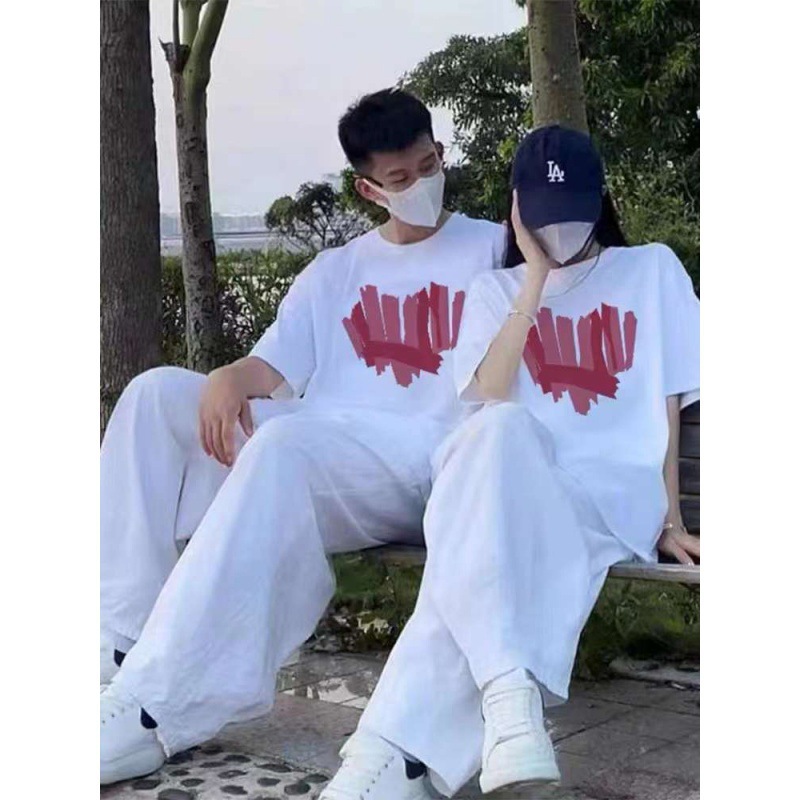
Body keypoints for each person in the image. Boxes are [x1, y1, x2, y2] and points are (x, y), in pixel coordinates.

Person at [99, 87, 505, 788]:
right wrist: (229, 374)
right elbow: (273, 368)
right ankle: (116, 640)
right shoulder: (337, 271)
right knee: (154, 395)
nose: (420, 185)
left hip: (426, 456)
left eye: (428, 165)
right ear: (368, 188)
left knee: (282, 448)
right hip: (329, 444)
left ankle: (159, 705)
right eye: (400, 178)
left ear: (440, 153)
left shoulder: (495, 248)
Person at [322, 125, 700, 799]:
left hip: (609, 496)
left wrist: (670, 517)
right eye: (544, 216)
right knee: (497, 432)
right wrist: (533, 281)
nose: (561, 229)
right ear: (518, 210)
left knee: (471, 547)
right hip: (522, 491)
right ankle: (488, 717)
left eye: (574, 211)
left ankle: (389, 755)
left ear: (600, 198)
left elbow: (666, 401)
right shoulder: (494, 292)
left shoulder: (651, 270)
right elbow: (489, 392)